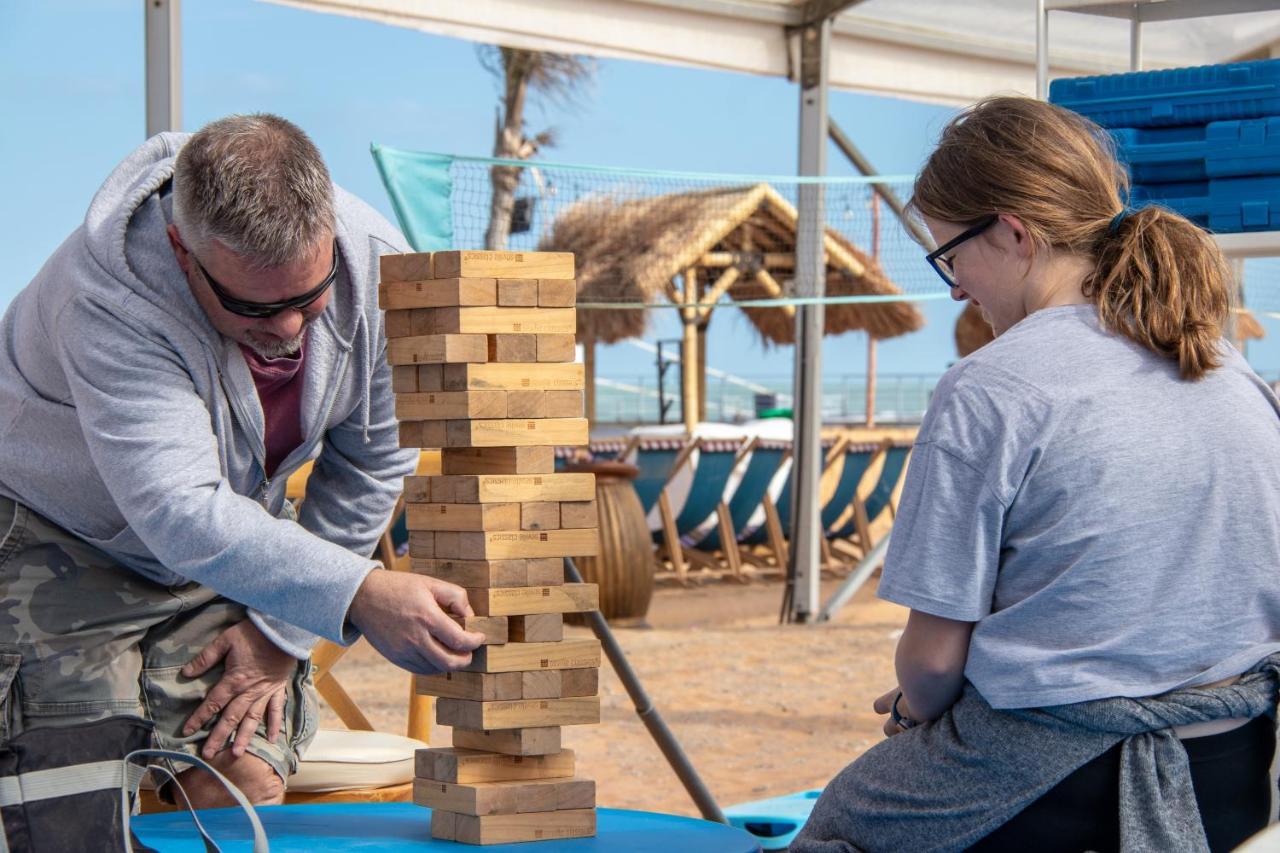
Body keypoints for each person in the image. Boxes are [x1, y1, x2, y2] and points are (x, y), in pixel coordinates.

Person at [793, 97, 1280, 852]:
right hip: (1235, 774)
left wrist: (923, 707)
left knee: (840, 820)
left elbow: (929, 665)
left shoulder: (991, 388)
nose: (955, 287)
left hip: (1065, 784)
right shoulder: (1228, 371)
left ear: (1014, 232)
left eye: (950, 257)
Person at [0, 114, 485, 807]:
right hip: (58, 536)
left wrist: (281, 631)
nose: (288, 330)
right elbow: (180, 509)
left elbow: (373, 461)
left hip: (224, 544)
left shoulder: (376, 262)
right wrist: (359, 592)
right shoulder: (107, 298)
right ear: (181, 249)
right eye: (255, 307)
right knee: (76, 795)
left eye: (307, 298)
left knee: (241, 771)